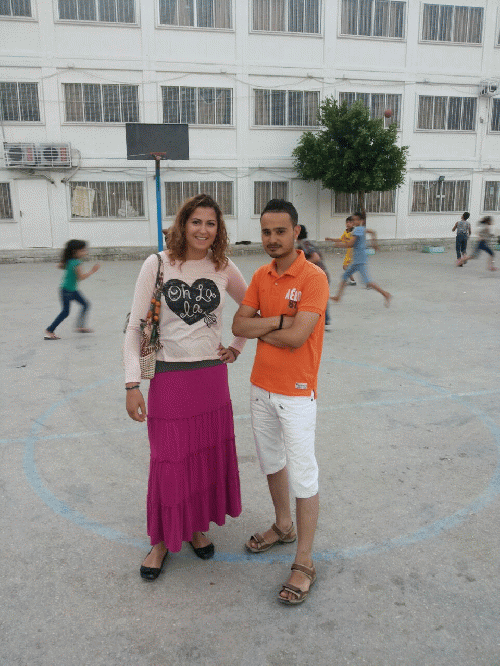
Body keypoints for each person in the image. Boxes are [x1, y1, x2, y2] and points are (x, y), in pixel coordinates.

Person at [123, 194, 248, 580]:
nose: (203, 230)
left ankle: (195, 528)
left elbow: (251, 309)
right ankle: (160, 541)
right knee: (170, 461)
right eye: (196, 222)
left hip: (211, 377)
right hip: (170, 377)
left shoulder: (223, 267)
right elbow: (134, 327)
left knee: (202, 457)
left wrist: (237, 347)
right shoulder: (158, 263)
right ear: (183, 223)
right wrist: (132, 384)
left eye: (211, 223)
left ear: (219, 229)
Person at [232, 199, 329, 606]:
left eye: (280, 231)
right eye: (266, 231)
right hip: (261, 387)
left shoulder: (313, 277)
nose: (272, 239)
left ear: (296, 231)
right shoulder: (259, 274)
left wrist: (264, 328)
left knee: (303, 474)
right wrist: (277, 321)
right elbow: (238, 325)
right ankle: (283, 525)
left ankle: (303, 560)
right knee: (271, 462)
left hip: (297, 393)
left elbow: (297, 339)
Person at [330, 212, 391, 307]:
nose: (354, 222)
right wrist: (375, 244)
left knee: (368, 282)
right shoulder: (361, 229)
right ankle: (338, 297)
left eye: (356, 220)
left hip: (359, 261)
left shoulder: (358, 230)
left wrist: (339, 245)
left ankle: (386, 294)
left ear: (361, 221)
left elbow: (350, 244)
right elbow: (373, 232)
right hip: (358, 259)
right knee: (345, 276)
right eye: (353, 220)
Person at [44, 239, 99, 340]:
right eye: (83, 250)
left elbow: (60, 266)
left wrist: (65, 267)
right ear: (75, 252)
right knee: (65, 312)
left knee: (85, 304)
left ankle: (80, 326)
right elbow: (81, 277)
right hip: (67, 291)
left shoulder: (70, 260)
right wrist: (93, 271)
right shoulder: (77, 263)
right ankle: (49, 331)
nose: (85, 252)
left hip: (70, 289)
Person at [296, 224, 331, 328]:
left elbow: (316, 258)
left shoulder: (304, 244)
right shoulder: (307, 243)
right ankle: (325, 320)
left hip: (317, 275)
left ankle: (323, 321)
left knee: (313, 297)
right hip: (320, 274)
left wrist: (301, 264)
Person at [325, 215, 356, 285]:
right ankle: (352, 280)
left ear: (353, 224)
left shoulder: (354, 232)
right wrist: (330, 239)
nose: (348, 224)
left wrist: (342, 245)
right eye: (347, 222)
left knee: (346, 266)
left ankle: (353, 280)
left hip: (352, 253)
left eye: (350, 222)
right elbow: (340, 240)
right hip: (348, 253)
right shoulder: (346, 232)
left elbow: (353, 243)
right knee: (346, 267)